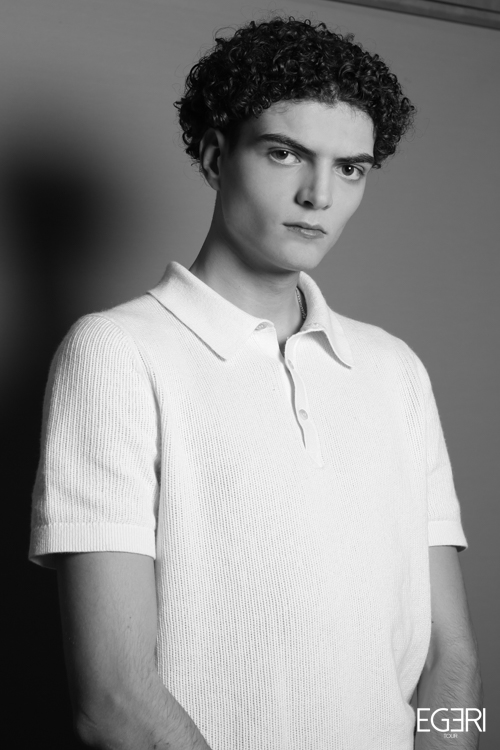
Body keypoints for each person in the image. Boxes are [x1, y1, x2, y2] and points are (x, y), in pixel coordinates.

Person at [29, 15, 482, 750]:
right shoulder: (116, 352)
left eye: (352, 168)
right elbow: (113, 701)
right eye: (284, 153)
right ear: (216, 156)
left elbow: (452, 656)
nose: (319, 195)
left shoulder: (394, 367)